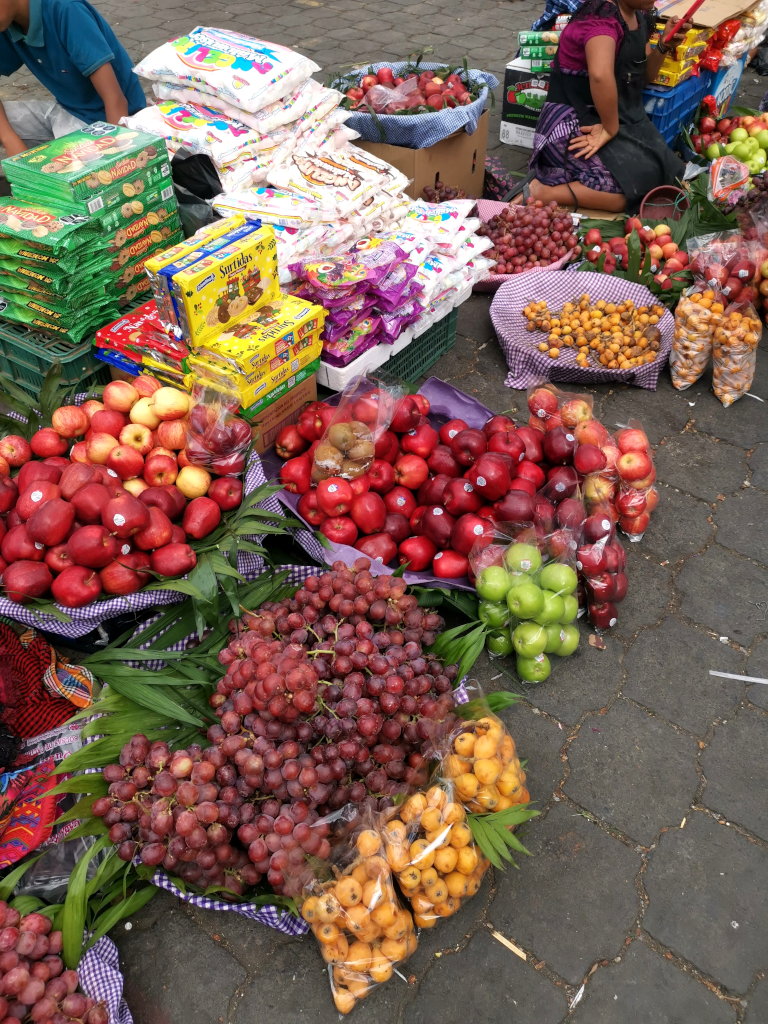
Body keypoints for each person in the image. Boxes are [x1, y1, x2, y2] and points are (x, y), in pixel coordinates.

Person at [528, 0, 688, 212]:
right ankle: (542, 192)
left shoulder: (637, 15)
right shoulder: (601, 18)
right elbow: (600, 75)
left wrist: (663, 45)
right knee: (624, 193)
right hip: (572, 119)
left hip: (614, 113)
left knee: (662, 172)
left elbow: (644, 76)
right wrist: (610, 128)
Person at [0, 0, 146, 155]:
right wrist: (10, 140)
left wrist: (119, 156)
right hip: (65, 111)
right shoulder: (8, 20)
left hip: (105, 122)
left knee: (70, 172)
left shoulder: (66, 9)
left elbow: (115, 99)